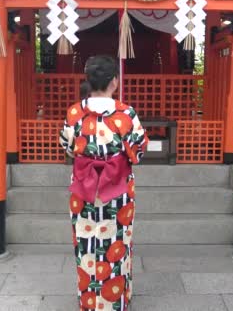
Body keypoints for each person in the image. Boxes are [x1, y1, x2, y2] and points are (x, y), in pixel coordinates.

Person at [59, 55, 148, 311]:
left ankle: (89, 300)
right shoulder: (126, 113)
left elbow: (67, 146)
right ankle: (116, 301)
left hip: (84, 186)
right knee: (117, 243)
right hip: (118, 187)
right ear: (114, 82)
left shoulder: (75, 112)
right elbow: (139, 151)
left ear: (88, 80)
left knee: (86, 242)